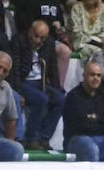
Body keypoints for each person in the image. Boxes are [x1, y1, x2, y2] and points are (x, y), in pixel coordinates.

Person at [11, 19, 64, 152]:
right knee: (41, 99)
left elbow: (52, 67)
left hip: (41, 82)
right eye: (36, 36)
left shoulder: (49, 43)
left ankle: (44, 137)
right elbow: (14, 69)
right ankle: (31, 138)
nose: (39, 40)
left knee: (61, 99)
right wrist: (18, 91)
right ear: (30, 32)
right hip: (23, 81)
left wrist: (57, 89)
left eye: (42, 38)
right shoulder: (18, 40)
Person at [62, 61, 104, 162]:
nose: (96, 78)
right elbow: (80, 126)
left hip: (100, 138)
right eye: (92, 75)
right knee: (91, 148)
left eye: (99, 75)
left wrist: (95, 117)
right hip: (76, 139)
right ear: (84, 76)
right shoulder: (74, 96)